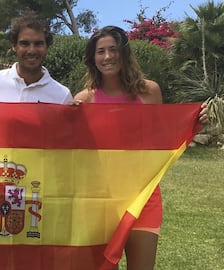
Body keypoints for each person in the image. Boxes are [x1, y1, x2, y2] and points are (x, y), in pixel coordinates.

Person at [74, 26, 208, 270]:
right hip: (102, 200)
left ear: (124, 53)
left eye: (113, 50)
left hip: (144, 196)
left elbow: (161, 139)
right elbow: (74, 150)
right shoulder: (84, 100)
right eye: (100, 51)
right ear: (93, 58)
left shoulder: (149, 92)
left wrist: (193, 122)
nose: (107, 57)